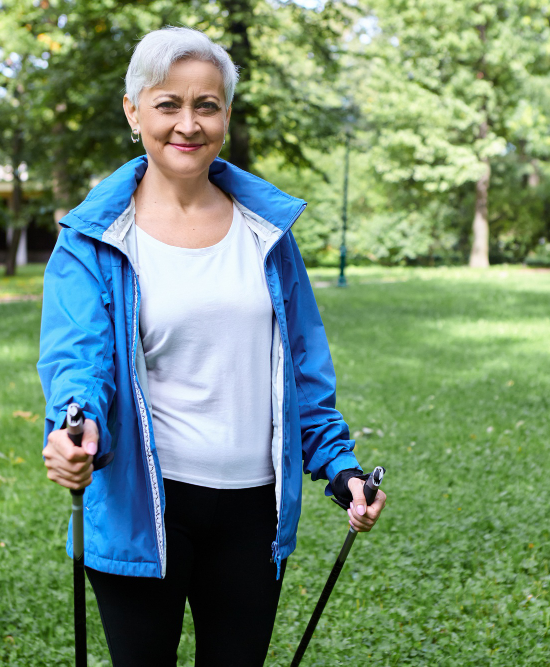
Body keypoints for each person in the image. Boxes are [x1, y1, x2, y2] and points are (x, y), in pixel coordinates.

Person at [37, 26, 386, 666]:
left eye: (207, 105)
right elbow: (80, 364)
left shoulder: (266, 233)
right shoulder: (92, 240)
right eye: (168, 103)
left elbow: (303, 370)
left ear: (226, 114)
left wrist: (341, 470)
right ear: (133, 110)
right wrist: (74, 429)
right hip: (145, 506)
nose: (187, 124)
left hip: (252, 513)